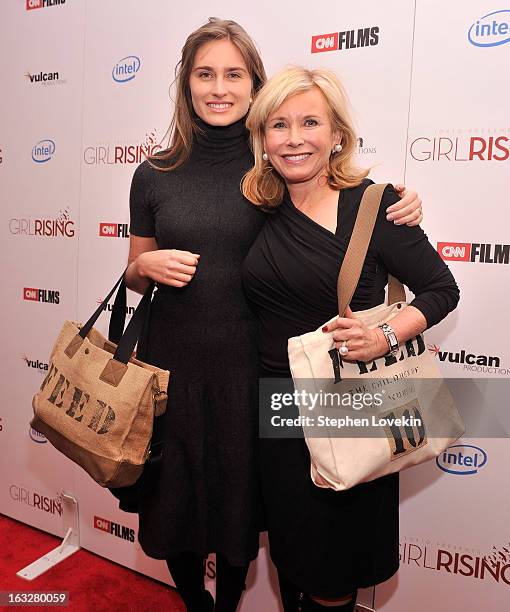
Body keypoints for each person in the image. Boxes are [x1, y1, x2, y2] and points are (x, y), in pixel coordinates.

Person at [117, 19, 424, 612]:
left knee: (243, 509)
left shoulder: (273, 169)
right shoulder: (152, 173)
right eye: (204, 75)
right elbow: (134, 266)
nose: (219, 88)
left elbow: (340, 197)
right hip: (172, 366)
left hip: (253, 370)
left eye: (234, 74)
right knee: (175, 500)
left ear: (255, 84)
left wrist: (401, 202)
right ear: (186, 85)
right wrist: (145, 269)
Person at [241, 66, 459, 611]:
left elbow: (441, 289)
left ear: (337, 133)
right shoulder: (260, 207)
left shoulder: (377, 206)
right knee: (291, 553)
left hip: (348, 404)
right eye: (279, 125)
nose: (294, 138)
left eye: (310, 122)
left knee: (332, 570)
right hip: (276, 407)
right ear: (263, 140)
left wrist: (384, 334)